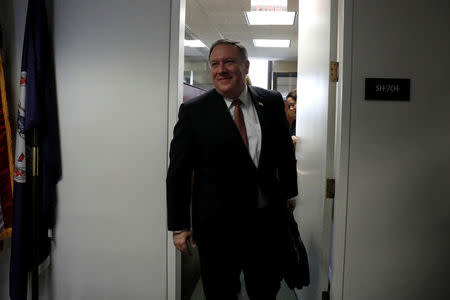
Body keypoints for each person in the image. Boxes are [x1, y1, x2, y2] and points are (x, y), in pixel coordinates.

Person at [166, 39, 298, 300]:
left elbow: (284, 154)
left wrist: (289, 194)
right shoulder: (194, 111)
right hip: (217, 228)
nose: (221, 69)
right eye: (215, 63)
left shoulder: (271, 102)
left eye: (229, 62)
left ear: (245, 66)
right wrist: (179, 225)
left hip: (265, 225)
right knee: (221, 292)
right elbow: (178, 172)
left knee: (265, 290)